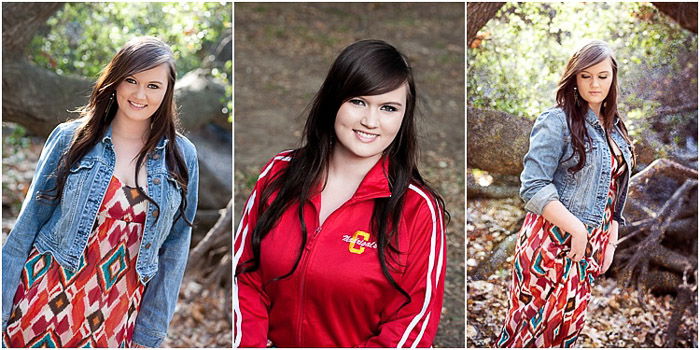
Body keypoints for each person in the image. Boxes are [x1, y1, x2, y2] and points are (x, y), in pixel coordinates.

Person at [233, 39, 448, 348]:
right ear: (334, 100)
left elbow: (412, 323)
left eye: (388, 108)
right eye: (358, 101)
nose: (370, 121)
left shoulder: (418, 209)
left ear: (403, 117)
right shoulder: (279, 173)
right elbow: (245, 275)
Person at [2, 36, 199, 348]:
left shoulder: (181, 156)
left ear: (167, 91)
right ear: (116, 81)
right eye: (131, 80)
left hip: (117, 315)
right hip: (43, 300)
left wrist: (149, 336)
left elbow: (174, 253)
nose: (139, 94)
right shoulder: (72, 139)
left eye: (153, 85)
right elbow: (26, 227)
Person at [495, 40, 635, 347]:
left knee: (565, 330)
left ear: (613, 78)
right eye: (585, 76)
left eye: (602, 76)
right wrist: (577, 230)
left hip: (590, 243)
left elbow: (615, 190)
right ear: (574, 78)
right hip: (551, 238)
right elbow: (533, 186)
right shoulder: (556, 120)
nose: (594, 84)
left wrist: (610, 242)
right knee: (529, 331)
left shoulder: (616, 128)